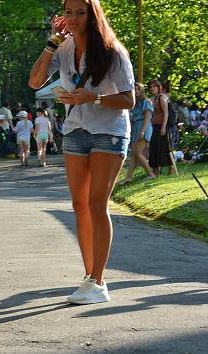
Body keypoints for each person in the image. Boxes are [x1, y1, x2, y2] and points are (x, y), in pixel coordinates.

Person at [29, 0, 135, 304]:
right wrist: (51, 43)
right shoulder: (63, 49)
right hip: (75, 131)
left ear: (93, 15)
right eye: (68, 12)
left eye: (80, 12)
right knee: (79, 205)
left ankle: (98, 281)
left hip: (109, 133)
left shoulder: (113, 52)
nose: (73, 18)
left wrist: (95, 98)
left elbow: (128, 100)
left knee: (97, 203)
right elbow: (35, 81)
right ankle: (90, 277)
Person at [119, 83, 155, 185]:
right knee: (134, 154)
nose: (136, 91)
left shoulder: (146, 102)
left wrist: (142, 131)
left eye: (138, 89)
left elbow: (147, 118)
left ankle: (151, 174)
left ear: (141, 91)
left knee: (138, 153)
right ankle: (128, 177)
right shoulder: (134, 104)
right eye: (134, 90)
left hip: (144, 127)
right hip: (136, 128)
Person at [147, 80, 174, 176]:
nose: (152, 88)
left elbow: (166, 113)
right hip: (154, 126)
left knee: (165, 147)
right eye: (150, 87)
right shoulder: (153, 99)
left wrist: (163, 127)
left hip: (162, 126)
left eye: (154, 86)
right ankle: (156, 171)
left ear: (159, 88)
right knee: (154, 148)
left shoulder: (162, 98)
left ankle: (171, 168)